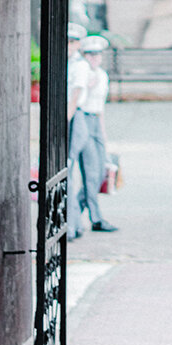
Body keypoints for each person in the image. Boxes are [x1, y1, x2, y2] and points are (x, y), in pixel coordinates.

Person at [69, 33, 117, 236]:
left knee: (99, 172)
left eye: (97, 55)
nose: (94, 59)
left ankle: (76, 212)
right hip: (83, 119)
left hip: (96, 121)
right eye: (90, 54)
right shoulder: (83, 72)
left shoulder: (103, 76)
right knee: (90, 172)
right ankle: (94, 217)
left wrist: (103, 134)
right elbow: (79, 97)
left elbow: (101, 107)